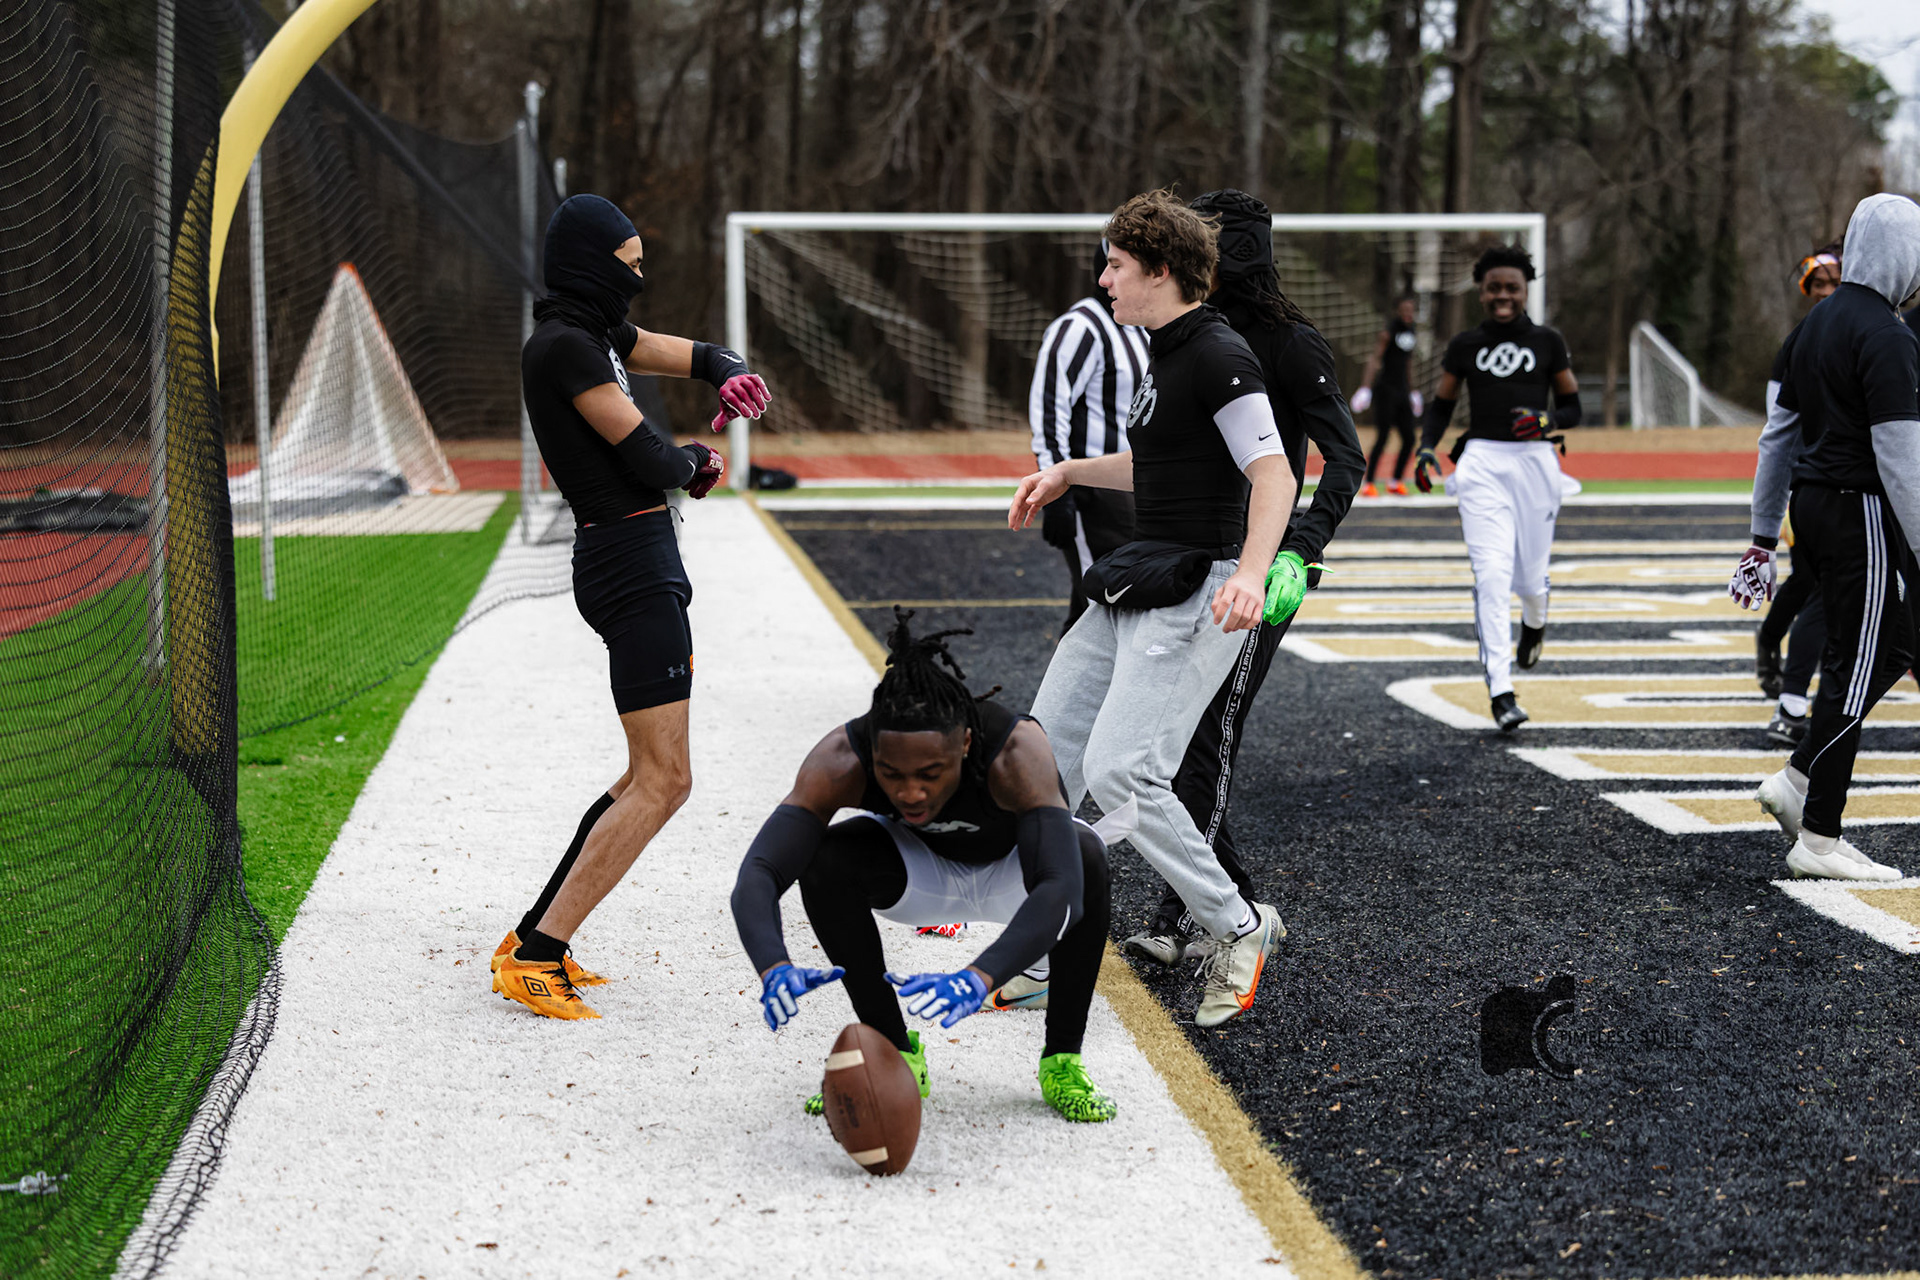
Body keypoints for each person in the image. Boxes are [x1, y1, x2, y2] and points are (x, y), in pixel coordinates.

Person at [1010, 190, 1296, 1029]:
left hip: (1199, 589)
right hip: (1139, 576)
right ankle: (1041, 945)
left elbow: (1274, 474)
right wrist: (1069, 472)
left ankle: (1238, 926)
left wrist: (1252, 574)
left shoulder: (1219, 355)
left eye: (1116, 265)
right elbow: (1161, 465)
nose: (1104, 280)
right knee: (1041, 761)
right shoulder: (1162, 351)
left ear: (1161, 271)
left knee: (1122, 772)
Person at [490, 194, 772, 1019]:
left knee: (645, 776)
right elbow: (646, 454)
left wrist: (727, 369)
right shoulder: (564, 347)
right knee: (665, 779)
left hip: (637, 558)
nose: (639, 280)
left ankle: (532, 937)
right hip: (627, 563)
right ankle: (538, 956)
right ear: (591, 263)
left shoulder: (593, 332)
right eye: (630, 264)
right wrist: (694, 462)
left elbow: (686, 353)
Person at [728, 612, 1118, 1123]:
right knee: (824, 859)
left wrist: (978, 977)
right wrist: (772, 964)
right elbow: (759, 870)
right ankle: (894, 1053)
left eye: (930, 774)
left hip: (1014, 876)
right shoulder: (841, 757)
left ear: (966, 744)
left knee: (1086, 856)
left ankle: (1063, 1059)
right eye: (891, 774)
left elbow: (1060, 888)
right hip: (919, 877)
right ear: (872, 751)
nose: (911, 792)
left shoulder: (1017, 750)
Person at [1123, 188, 1366, 968]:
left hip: (1257, 574)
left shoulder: (1290, 343)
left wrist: (1300, 551)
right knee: (1170, 741)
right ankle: (1226, 904)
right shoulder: (1186, 338)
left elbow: (1345, 461)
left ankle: (1195, 914)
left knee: (1204, 739)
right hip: (1190, 566)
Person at [1732, 193, 1920, 882]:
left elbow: (1776, 438)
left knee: (1895, 643)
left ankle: (1799, 777)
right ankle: (1819, 837)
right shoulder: (1887, 333)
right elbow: (1899, 455)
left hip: (1810, 507)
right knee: (1856, 660)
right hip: (1857, 506)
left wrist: (1762, 535)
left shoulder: (1814, 324)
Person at [1413, 244, 1583, 732]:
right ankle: (1501, 691)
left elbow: (1572, 408)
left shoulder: (1548, 341)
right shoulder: (1464, 344)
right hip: (1482, 463)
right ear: (1481, 292)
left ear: (1525, 290)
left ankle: (1535, 621)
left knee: (1530, 581)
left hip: (1535, 464)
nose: (1503, 295)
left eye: (1512, 287)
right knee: (1491, 575)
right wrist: (1427, 448)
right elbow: (1442, 406)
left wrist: (1547, 420)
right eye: (1493, 288)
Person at [1747, 242, 1843, 747]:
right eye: (1818, 284)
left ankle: (1773, 647)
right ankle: (1790, 703)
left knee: (1822, 590)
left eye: (1834, 282)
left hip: (1856, 488)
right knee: (1818, 590)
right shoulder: (1800, 342)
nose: (1826, 292)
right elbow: (1779, 431)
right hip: (1816, 487)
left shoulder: (1877, 330)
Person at [1029, 255, 1150, 631]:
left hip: (1136, 486)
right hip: (1095, 492)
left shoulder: (1140, 326)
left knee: (1110, 609)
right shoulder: (1080, 327)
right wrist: (1058, 494)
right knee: (1103, 611)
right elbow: (1049, 408)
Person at [1353, 296, 1421, 497]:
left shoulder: (1412, 331)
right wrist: (1365, 387)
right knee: (1383, 436)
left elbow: (1408, 362)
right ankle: (1369, 482)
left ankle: (1396, 480)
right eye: (1404, 309)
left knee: (1409, 438)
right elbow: (1375, 358)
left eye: (1411, 309)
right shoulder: (1388, 331)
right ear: (1398, 311)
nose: (1408, 313)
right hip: (1386, 389)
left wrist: (1413, 391)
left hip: (1403, 391)